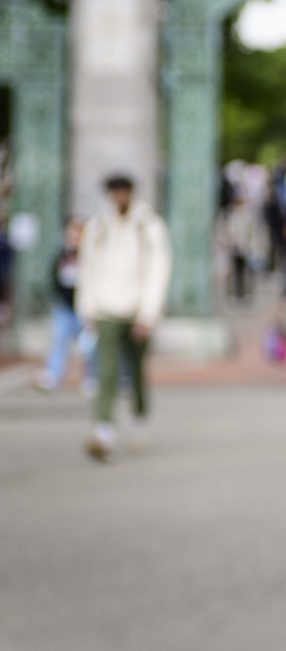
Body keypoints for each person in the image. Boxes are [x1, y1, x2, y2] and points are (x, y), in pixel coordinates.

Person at [76, 174, 171, 462]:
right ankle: (103, 429)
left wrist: (148, 313)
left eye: (123, 192)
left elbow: (159, 269)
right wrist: (88, 308)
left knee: (137, 371)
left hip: (136, 310)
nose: (119, 197)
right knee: (106, 372)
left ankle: (139, 415)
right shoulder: (98, 226)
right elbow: (88, 268)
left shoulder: (148, 225)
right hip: (107, 309)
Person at [34, 218, 98, 395]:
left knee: (89, 346)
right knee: (59, 342)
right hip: (64, 309)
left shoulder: (90, 256)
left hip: (84, 309)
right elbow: (54, 278)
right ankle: (52, 376)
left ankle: (91, 377)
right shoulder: (62, 256)